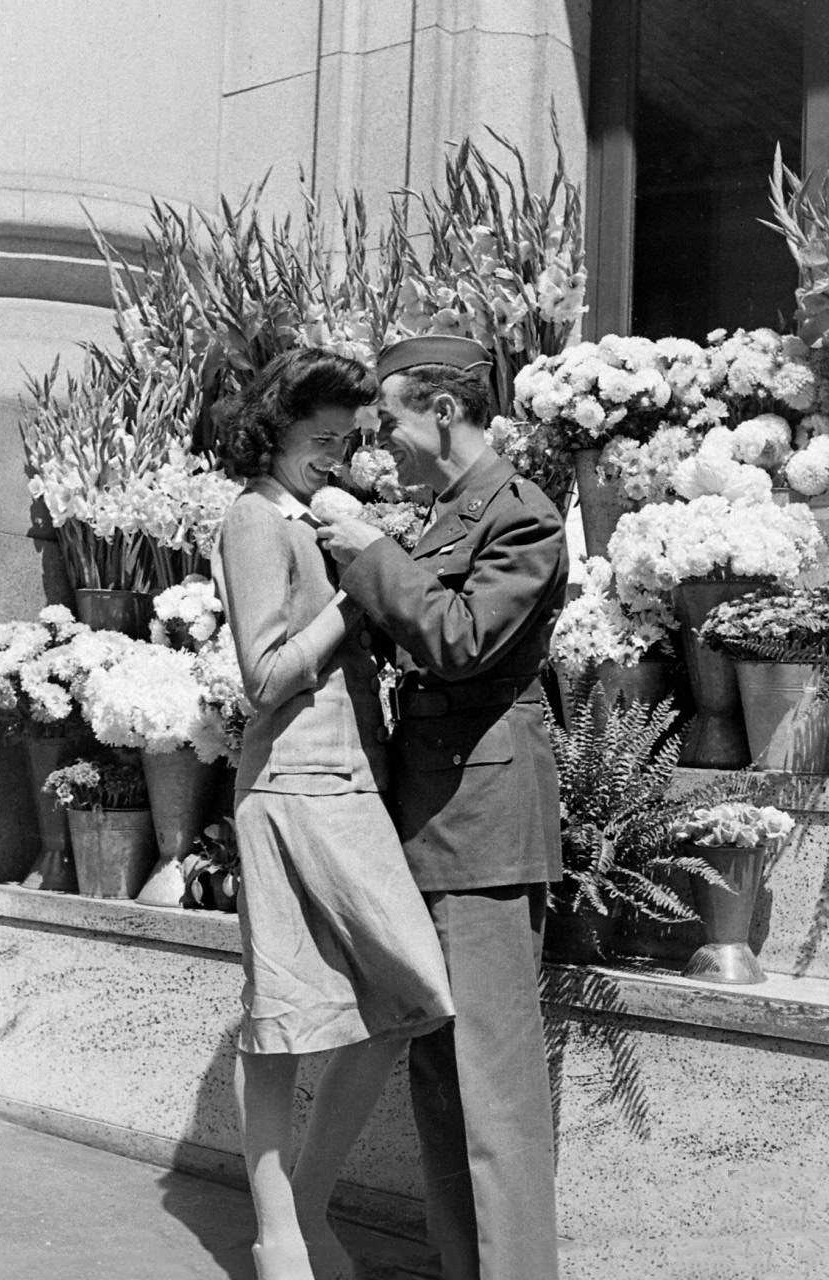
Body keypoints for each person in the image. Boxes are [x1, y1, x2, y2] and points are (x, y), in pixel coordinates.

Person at [316, 334, 568, 1280]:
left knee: (494, 1089)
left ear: (445, 411)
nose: (384, 446)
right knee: (440, 1085)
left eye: (390, 422)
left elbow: (460, 640)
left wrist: (371, 551)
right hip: (430, 815)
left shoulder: (523, 517)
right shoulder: (439, 517)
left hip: (486, 821)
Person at [211, 347, 456, 1280]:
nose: (338, 456)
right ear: (274, 431)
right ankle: (280, 1233)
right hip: (292, 787)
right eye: (321, 439)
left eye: (349, 440)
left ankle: (305, 1212)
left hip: (350, 782)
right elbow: (265, 675)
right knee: (283, 1018)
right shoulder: (253, 518)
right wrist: (357, 594)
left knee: (403, 1000)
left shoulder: (317, 516)